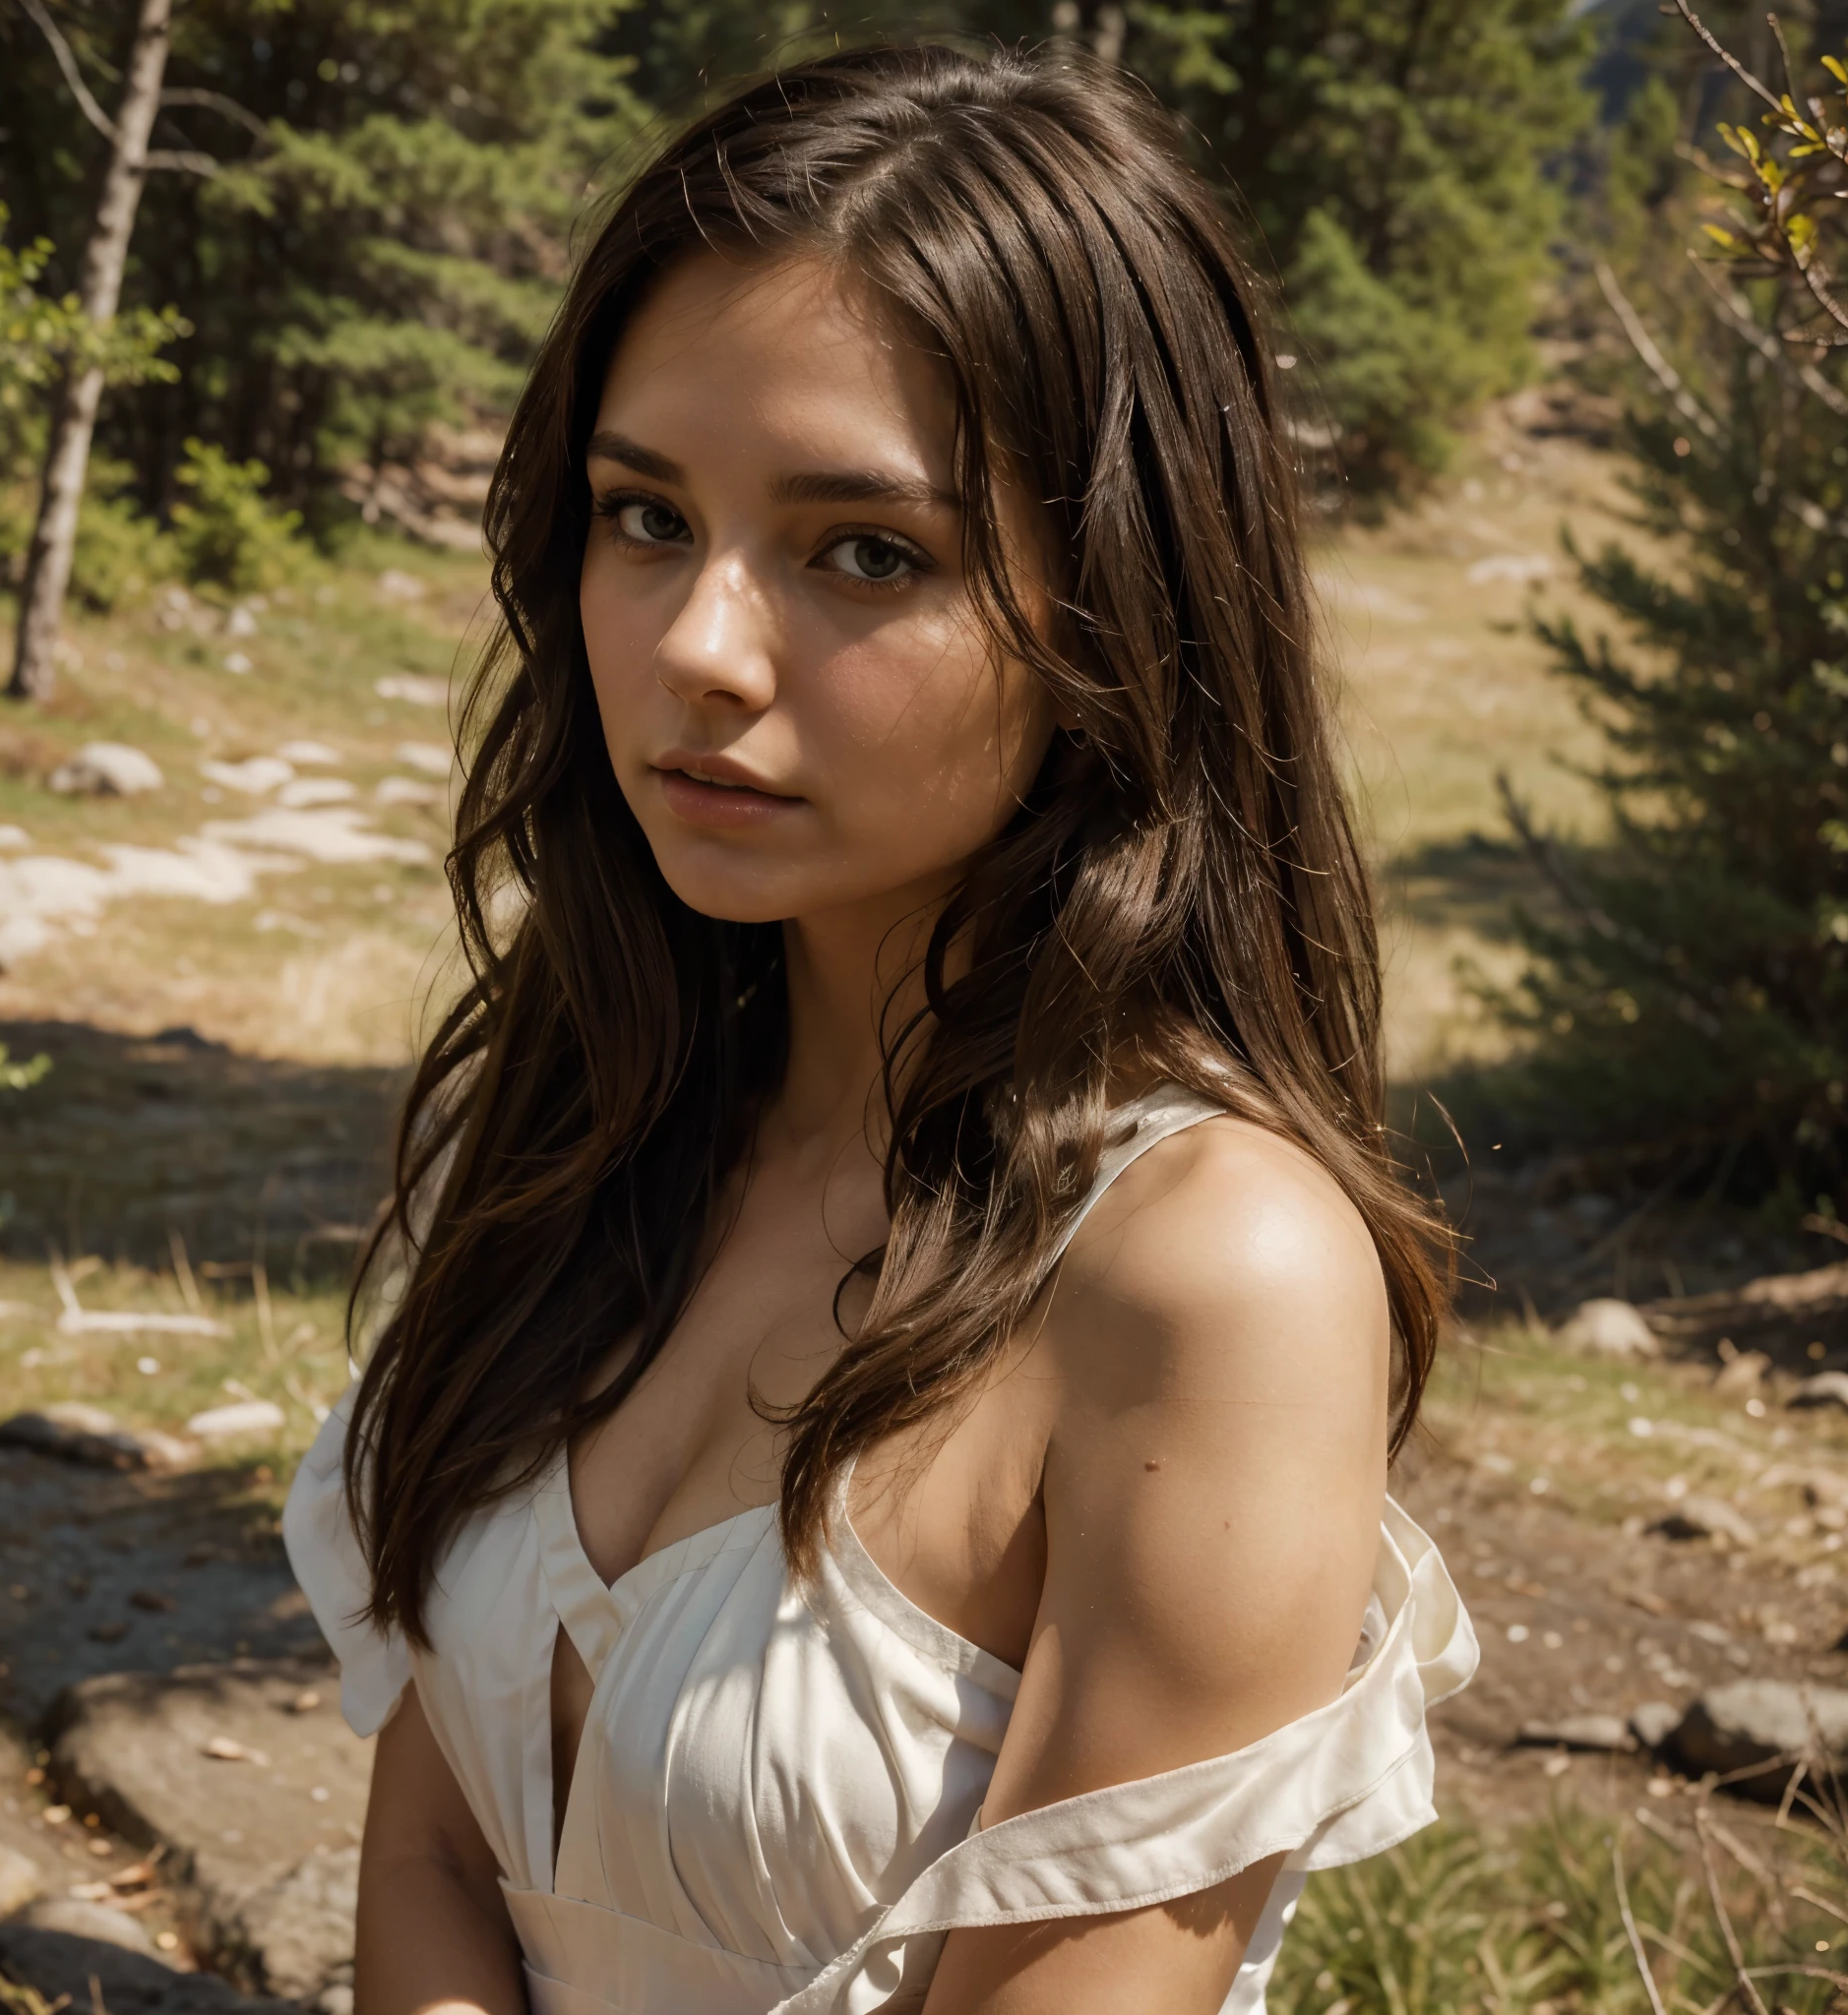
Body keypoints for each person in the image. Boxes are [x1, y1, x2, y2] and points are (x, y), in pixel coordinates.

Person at [284, 41, 1477, 2015]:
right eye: (642, 513)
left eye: (864, 552)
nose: (692, 649)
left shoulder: (1203, 1276)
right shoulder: (592, 1123)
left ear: (1114, 605)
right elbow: (431, 1839)